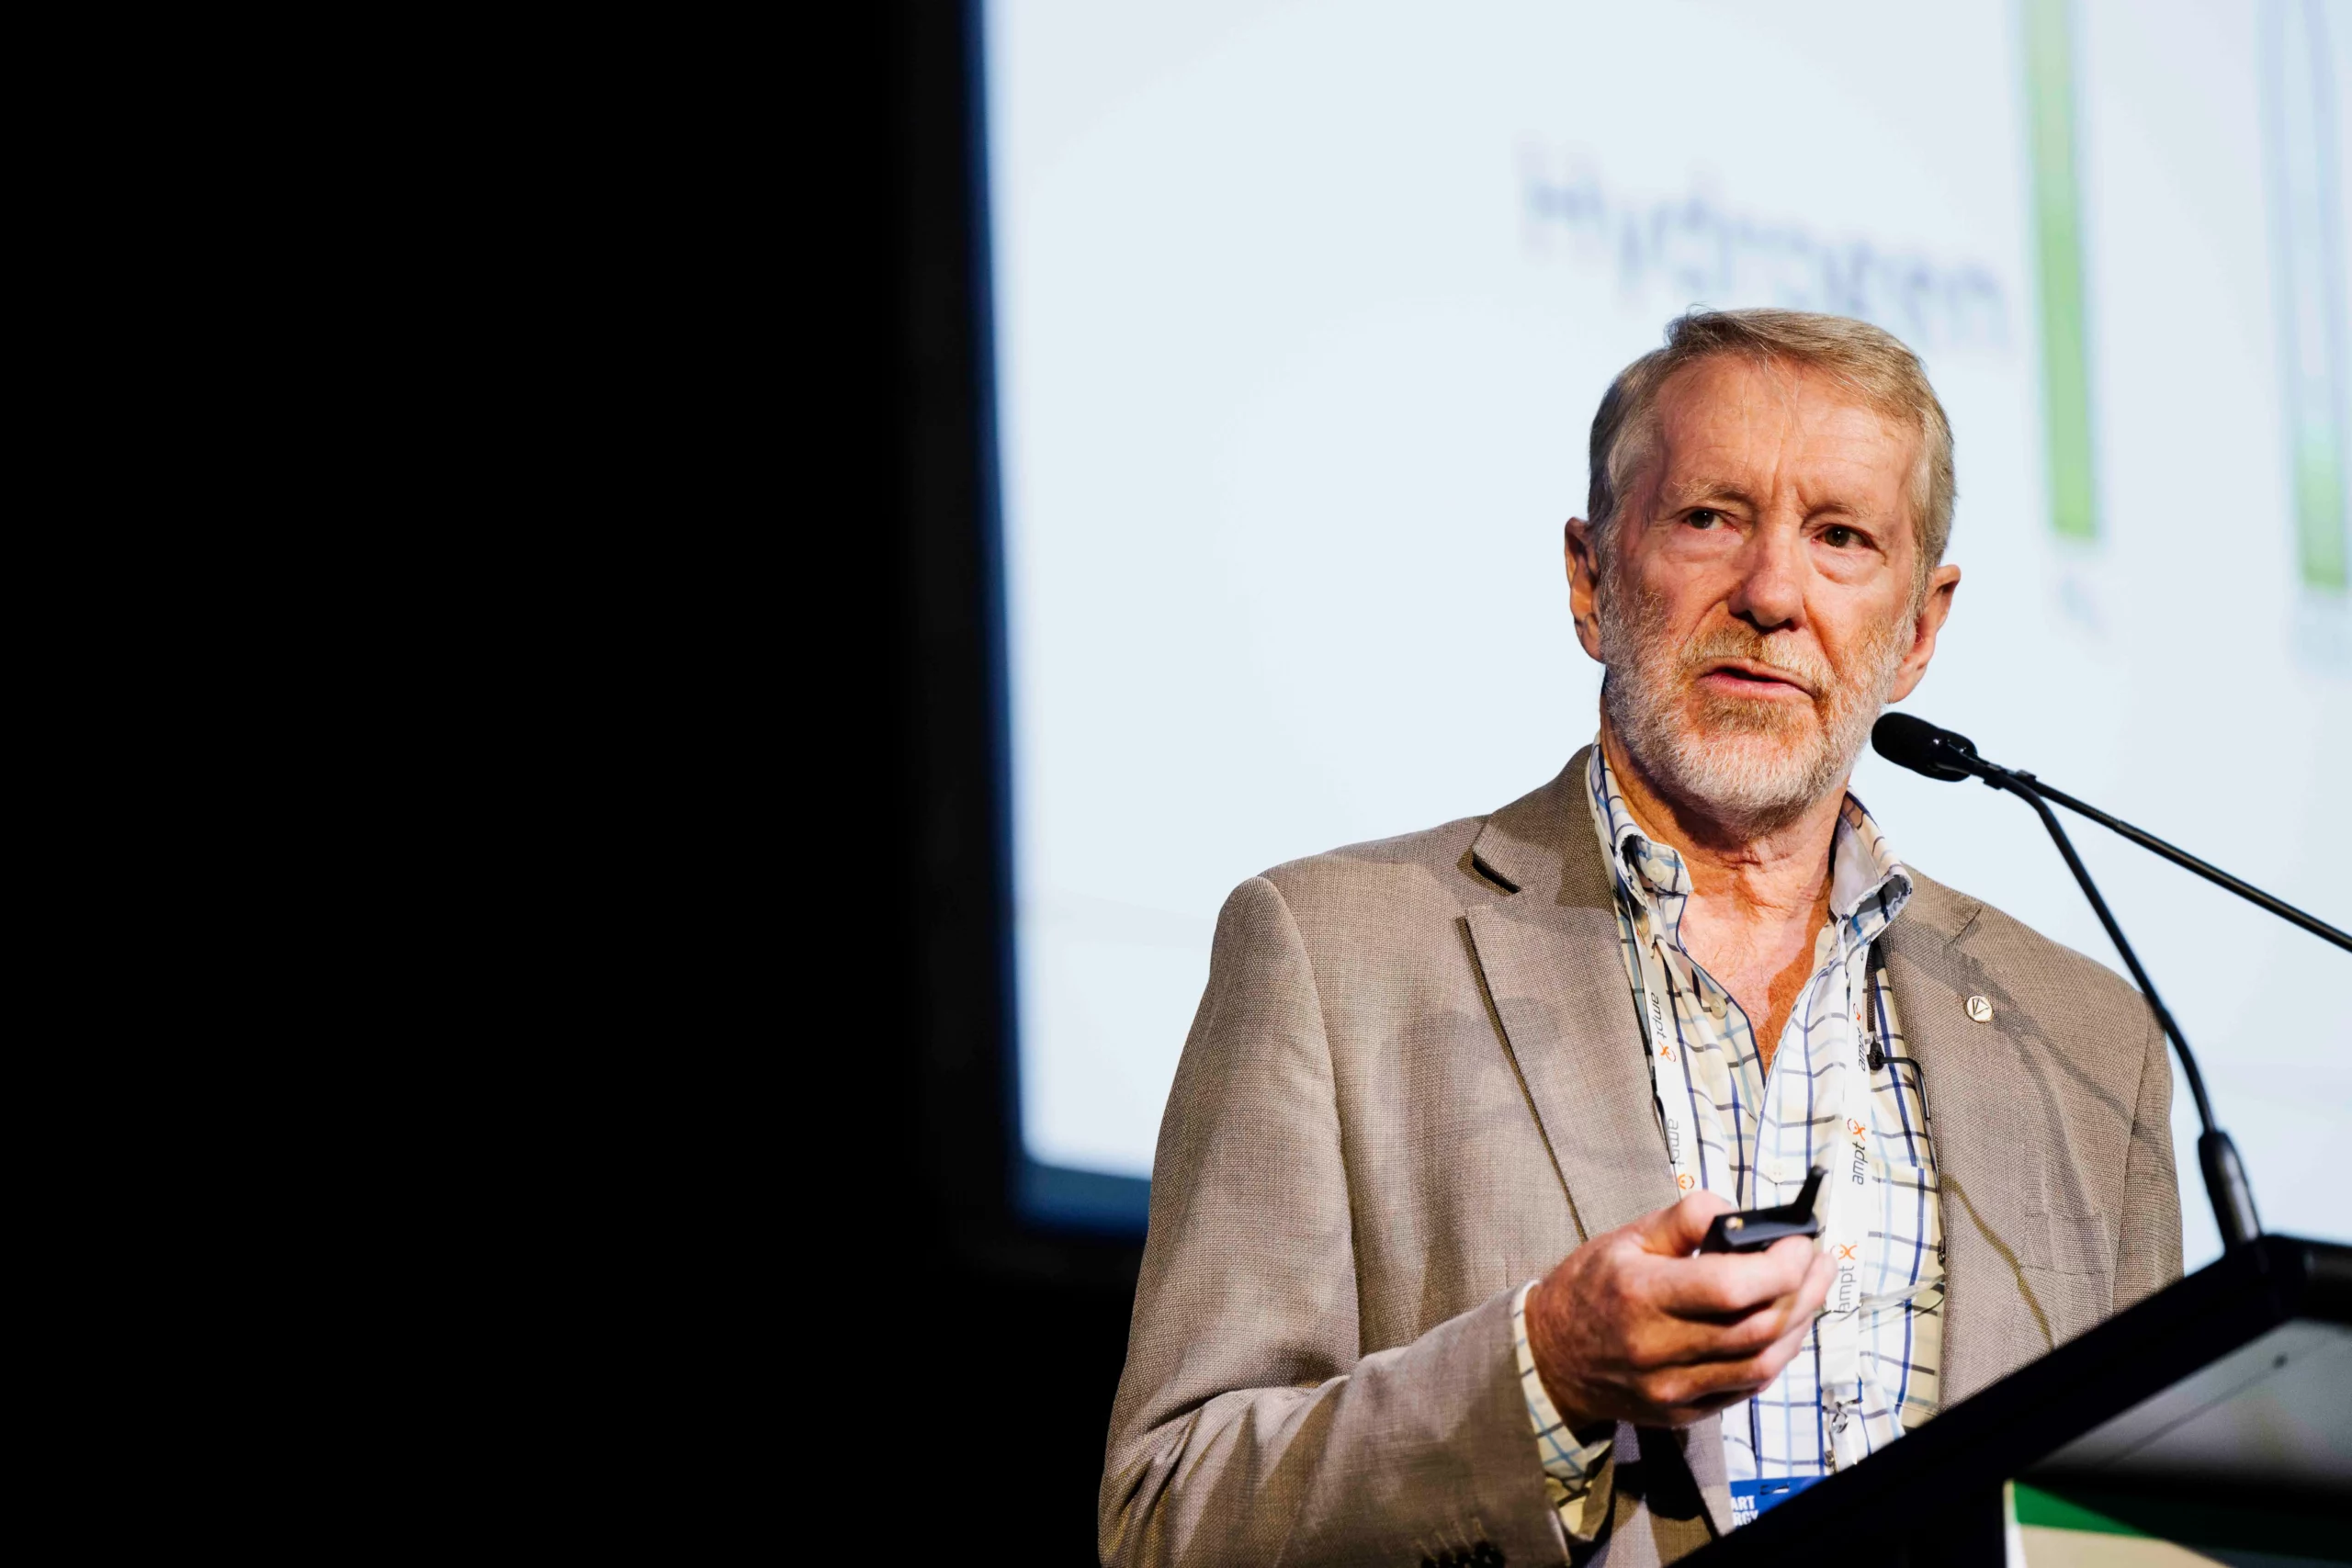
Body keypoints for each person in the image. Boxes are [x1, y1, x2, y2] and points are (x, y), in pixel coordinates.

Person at [1098, 310, 2181, 1568]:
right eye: (1710, 518)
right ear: (1591, 578)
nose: (1772, 594)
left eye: (1841, 537)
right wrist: (1543, 1372)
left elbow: (2145, 1523)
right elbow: (1168, 1515)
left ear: (1920, 630)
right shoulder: (1332, 955)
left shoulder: (2091, 1047)